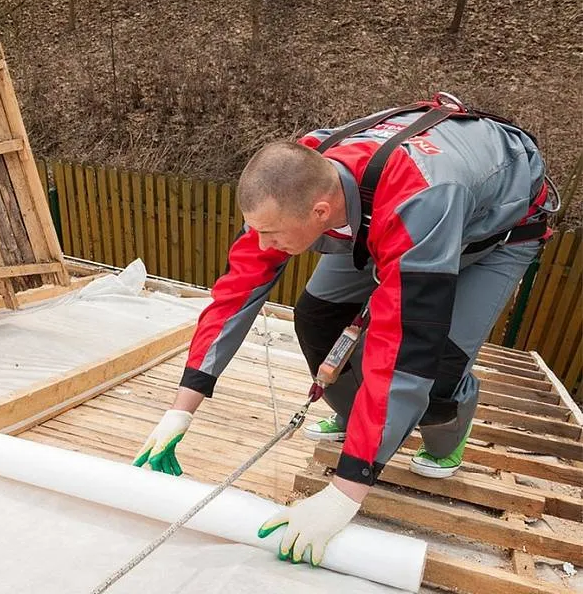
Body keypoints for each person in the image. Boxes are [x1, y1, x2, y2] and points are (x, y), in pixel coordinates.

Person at [132, 93, 555, 566]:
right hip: (385, 216)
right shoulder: (303, 174)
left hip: (493, 231)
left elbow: (404, 347)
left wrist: (344, 493)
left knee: (433, 370)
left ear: (318, 213)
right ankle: (360, 418)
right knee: (316, 316)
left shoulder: (421, 199)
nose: (262, 243)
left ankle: (447, 436)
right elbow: (235, 294)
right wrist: (182, 408)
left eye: (271, 234)